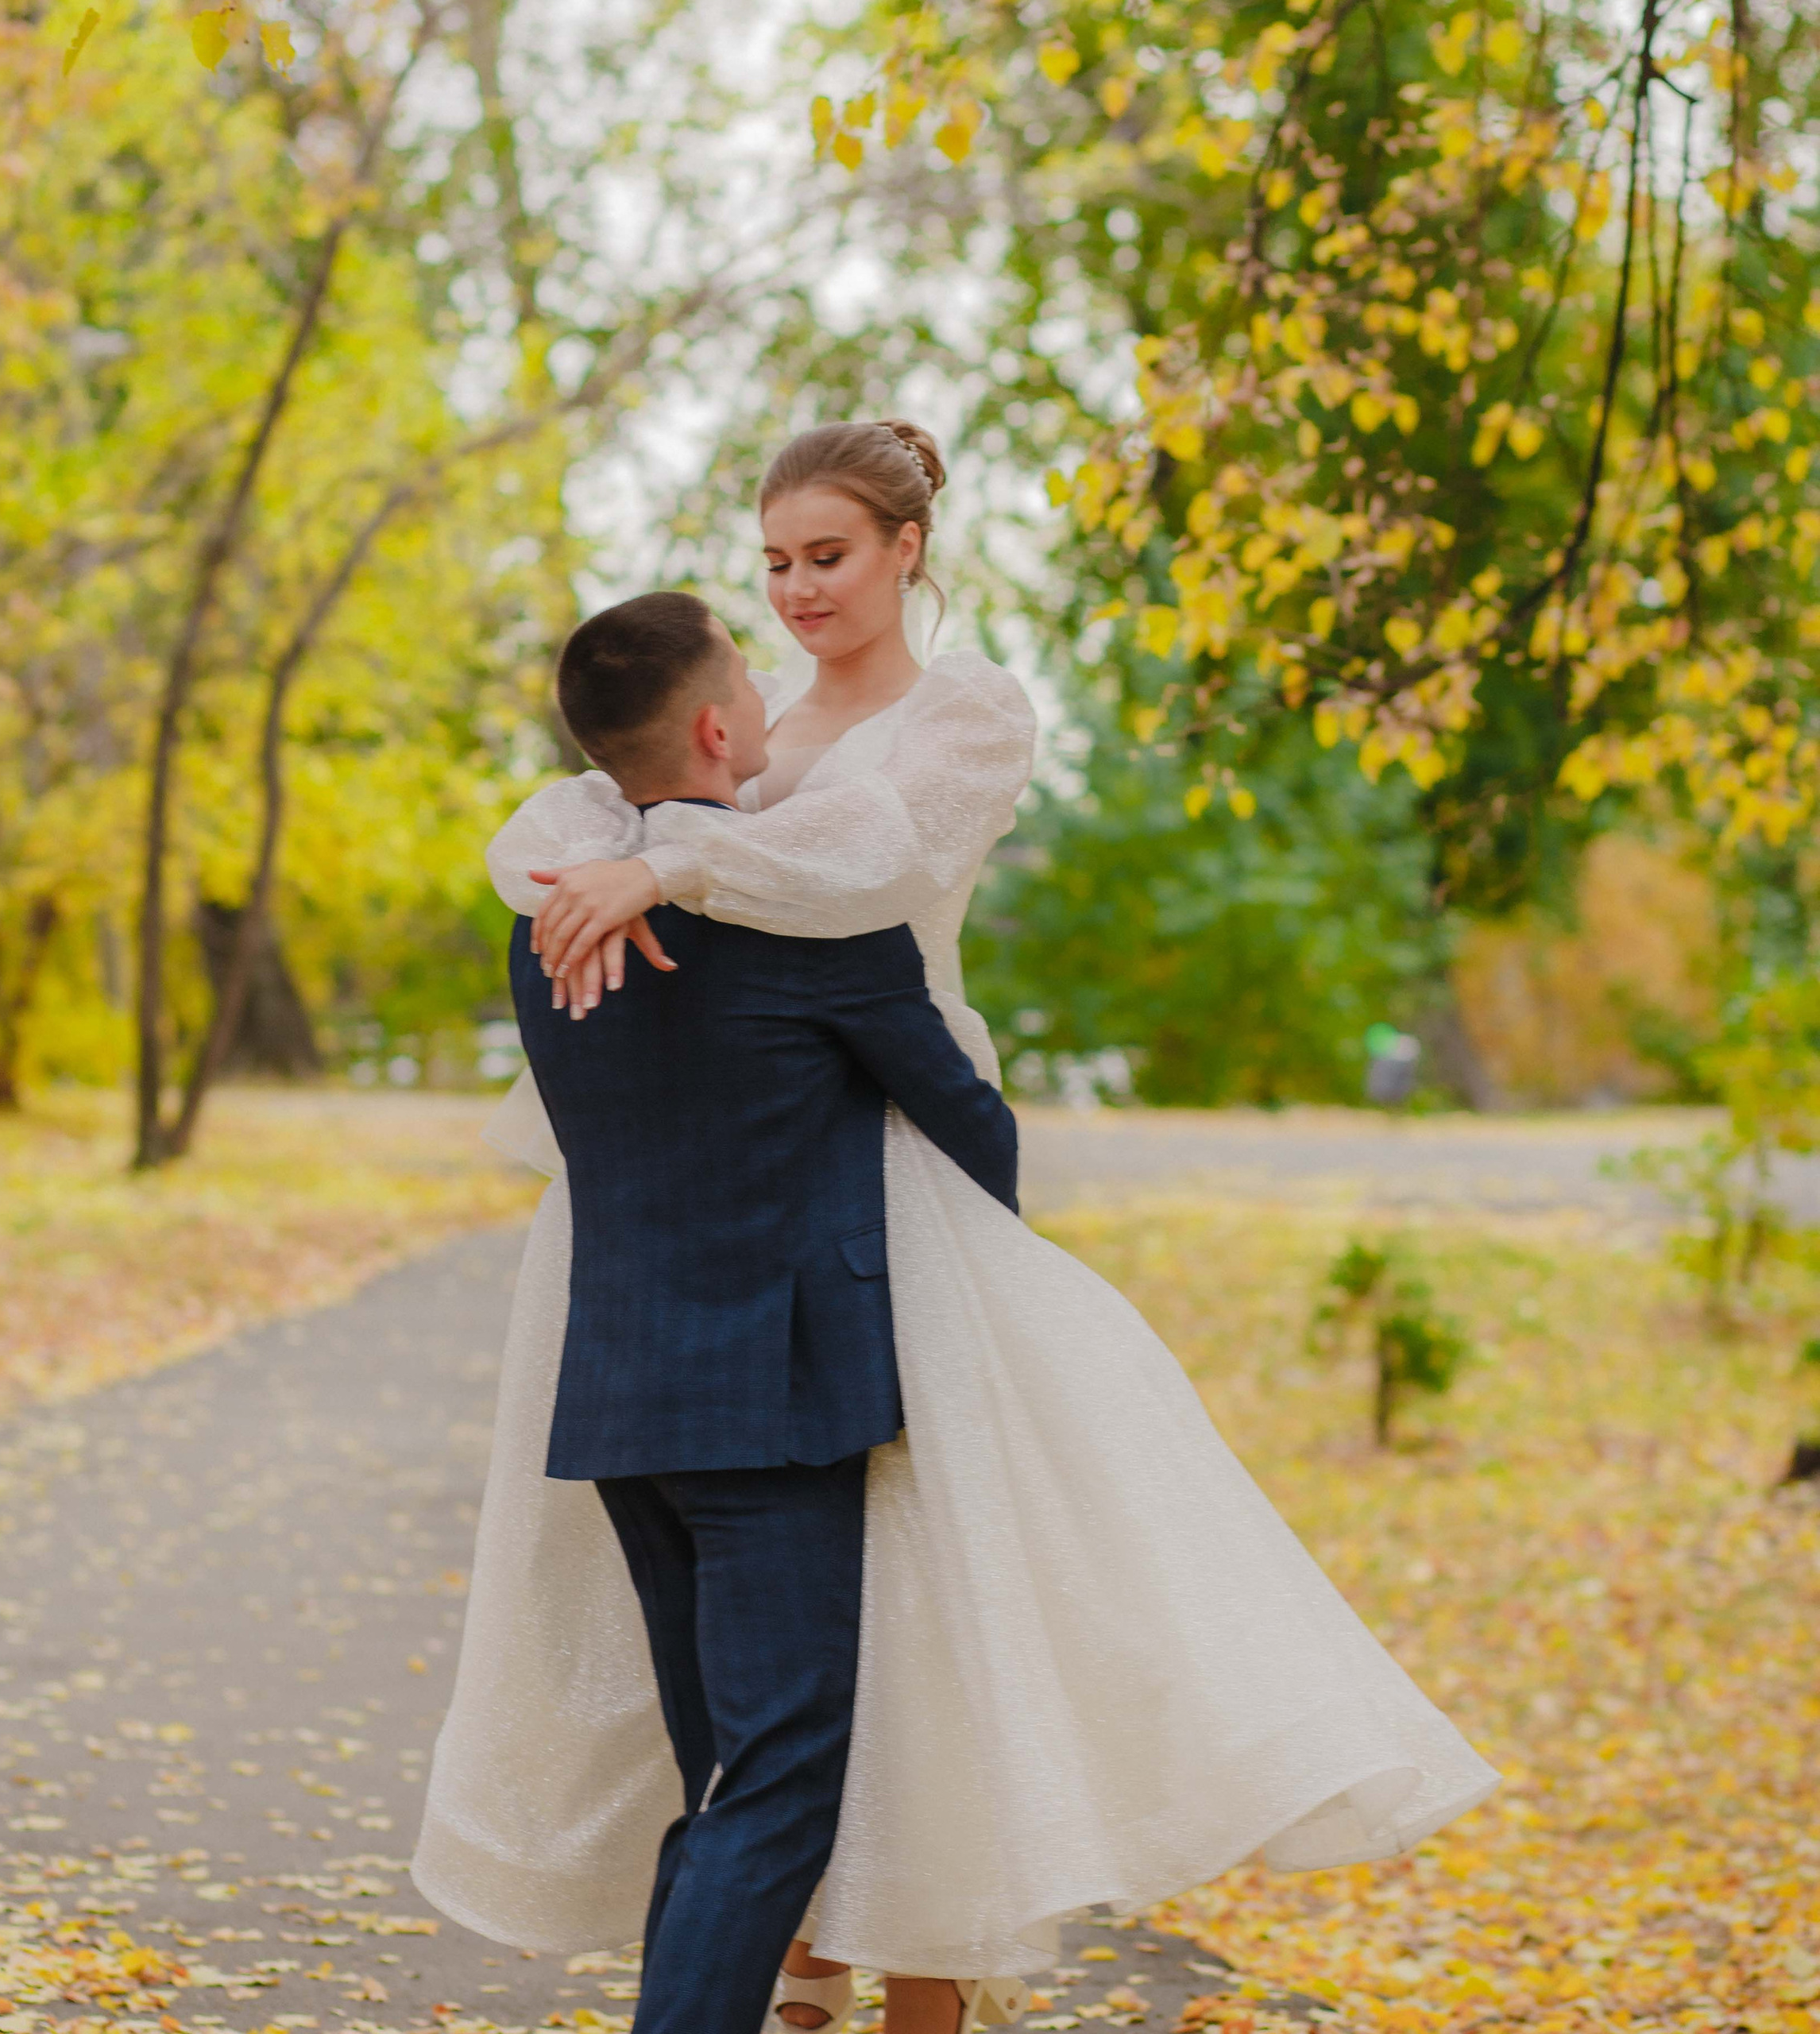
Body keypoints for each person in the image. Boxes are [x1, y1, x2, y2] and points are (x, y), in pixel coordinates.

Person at [413, 421, 1499, 2034]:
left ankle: (890, 1968)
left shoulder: (957, 714)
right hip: (752, 1197)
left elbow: (865, 863)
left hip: (882, 1181)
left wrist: (666, 867)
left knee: (933, 1603)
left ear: (907, 546)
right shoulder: (746, 735)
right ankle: (788, 1957)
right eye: (773, 561)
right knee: (772, 1730)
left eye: (826, 555)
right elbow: (604, 815)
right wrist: (624, 865)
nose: (793, 588)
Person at [507, 587, 1019, 2034]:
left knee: (721, 1782)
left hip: (621, 1402)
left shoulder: (548, 934)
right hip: (776, 1408)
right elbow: (971, 1129)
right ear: (722, 727)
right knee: (782, 1790)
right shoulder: (816, 930)